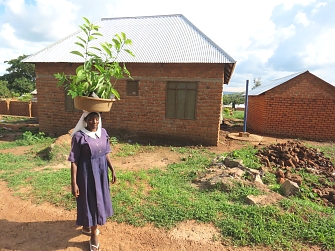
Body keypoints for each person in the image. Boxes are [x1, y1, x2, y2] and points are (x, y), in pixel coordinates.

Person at [68, 111, 116, 251]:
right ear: (85, 120)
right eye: (91, 120)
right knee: (90, 201)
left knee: (99, 198)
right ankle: (93, 234)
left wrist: (112, 169)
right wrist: (74, 183)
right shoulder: (79, 136)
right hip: (86, 174)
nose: (94, 122)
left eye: (96, 119)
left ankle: (87, 226)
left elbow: (106, 152)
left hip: (101, 173)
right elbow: (74, 160)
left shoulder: (103, 132)